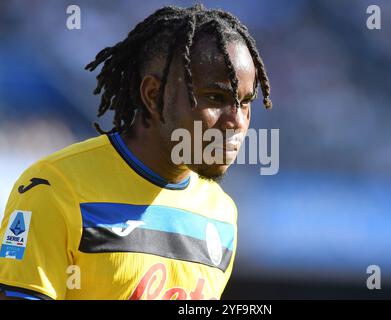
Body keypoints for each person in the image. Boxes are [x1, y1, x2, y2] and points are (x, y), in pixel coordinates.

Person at [0, 4, 271, 300]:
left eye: (245, 102)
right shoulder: (55, 188)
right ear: (153, 95)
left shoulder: (221, 213)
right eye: (215, 98)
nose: (236, 122)